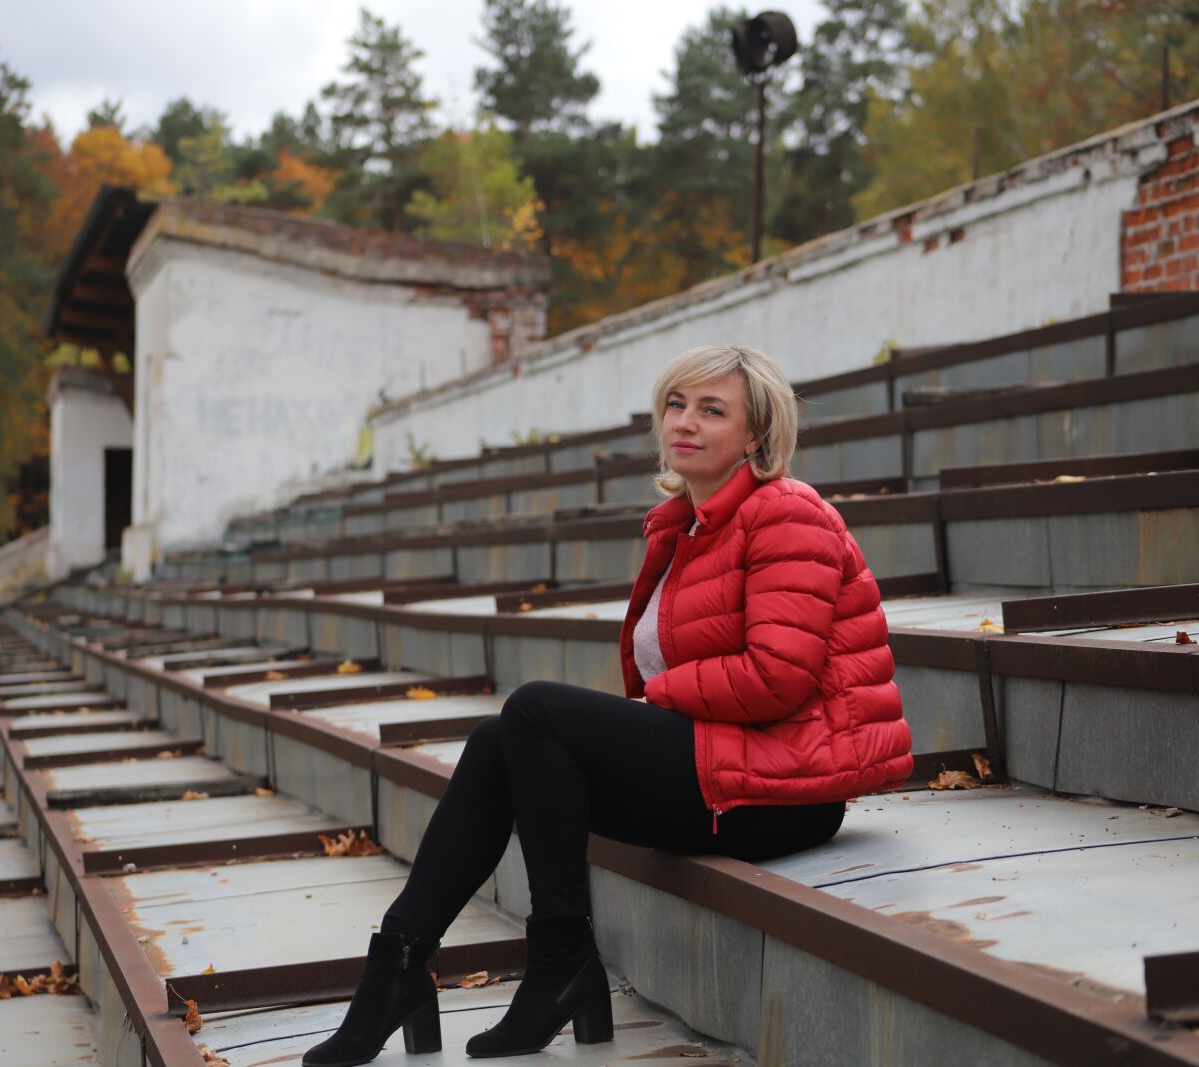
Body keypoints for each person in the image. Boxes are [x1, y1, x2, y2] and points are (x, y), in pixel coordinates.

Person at [303, 344, 912, 1067]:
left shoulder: (785, 515)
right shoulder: (684, 525)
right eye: (674, 405)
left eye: (711, 409)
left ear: (756, 434)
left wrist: (660, 696)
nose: (683, 422)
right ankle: (399, 963)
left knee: (534, 712)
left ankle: (560, 957)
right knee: (501, 740)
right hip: (724, 763)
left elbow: (777, 676)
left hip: (787, 789)